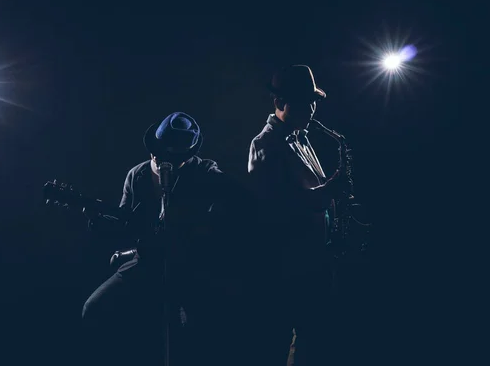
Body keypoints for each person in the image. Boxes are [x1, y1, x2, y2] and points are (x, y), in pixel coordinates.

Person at [82, 112, 250, 366]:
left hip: (190, 269)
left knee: (189, 332)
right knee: (94, 309)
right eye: (162, 156)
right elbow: (125, 227)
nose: (167, 164)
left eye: (177, 159)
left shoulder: (204, 172)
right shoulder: (137, 177)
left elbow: (239, 205)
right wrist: (100, 221)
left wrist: (201, 228)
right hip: (147, 263)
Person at [247, 65, 348, 366]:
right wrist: (331, 189)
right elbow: (277, 206)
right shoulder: (266, 144)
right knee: (288, 343)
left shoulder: (300, 138)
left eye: (313, 101)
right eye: (304, 102)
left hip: (314, 257)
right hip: (289, 263)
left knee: (313, 342)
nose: (312, 109)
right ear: (279, 104)